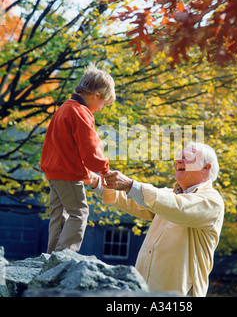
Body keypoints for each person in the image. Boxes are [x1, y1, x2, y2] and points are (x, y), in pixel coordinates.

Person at [89, 142, 224, 297]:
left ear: (206, 168)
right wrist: (95, 181)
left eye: (187, 157)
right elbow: (133, 200)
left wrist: (130, 185)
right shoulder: (168, 196)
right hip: (143, 291)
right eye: (179, 157)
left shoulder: (212, 201)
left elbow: (176, 207)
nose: (179, 160)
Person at [40, 63, 115, 254]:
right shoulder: (81, 112)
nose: (100, 109)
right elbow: (90, 146)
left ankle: (52, 255)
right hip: (68, 172)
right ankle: (65, 256)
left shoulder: (64, 108)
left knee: (59, 213)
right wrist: (104, 170)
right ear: (97, 94)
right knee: (79, 212)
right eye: (103, 104)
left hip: (54, 171)